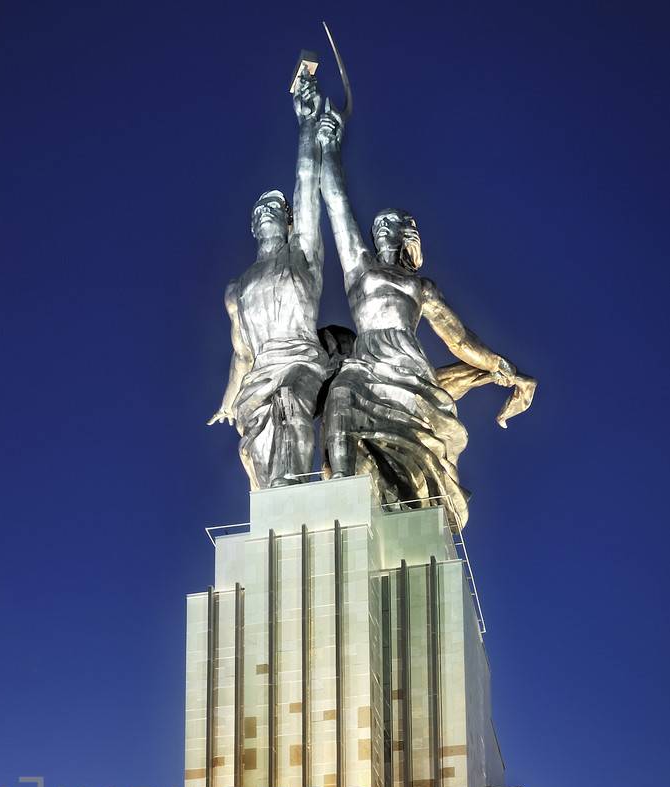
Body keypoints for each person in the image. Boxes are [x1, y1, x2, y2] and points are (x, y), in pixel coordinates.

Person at [314, 102, 534, 530]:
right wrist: (327, 146)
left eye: (390, 224)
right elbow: (337, 205)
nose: (380, 228)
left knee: (413, 446)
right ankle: (338, 490)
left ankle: (403, 501)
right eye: (377, 224)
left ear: (405, 235)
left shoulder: (421, 287)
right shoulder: (360, 267)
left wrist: (498, 365)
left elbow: (458, 338)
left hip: (408, 368)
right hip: (368, 361)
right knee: (340, 395)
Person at [208, 69, 334, 489]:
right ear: (251, 225)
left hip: (299, 361)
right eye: (261, 208)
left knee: (290, 403)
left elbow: (305, 182)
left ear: (289, 221)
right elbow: (242, 351)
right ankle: (276, 504)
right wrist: (228, 398)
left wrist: (306, 124)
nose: (268, 210)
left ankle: (291, 487)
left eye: (276, 207)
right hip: (258, 373)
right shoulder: (236, 288)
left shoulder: (303, 255)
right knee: (254, 448)